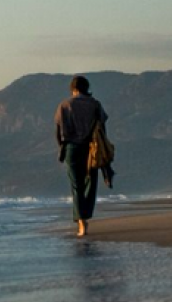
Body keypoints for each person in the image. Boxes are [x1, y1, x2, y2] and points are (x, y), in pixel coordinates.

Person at [54, 75, 108, 237]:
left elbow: (58, 131)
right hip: (91, 148)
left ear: (73, 88)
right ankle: (85, 216)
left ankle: (81, 222)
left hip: (72, 147)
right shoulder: (95, 104)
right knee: (90, 182)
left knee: (76, 185)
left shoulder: (65, 105)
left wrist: (61, 148)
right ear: (87, 87)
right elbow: (102, 129)